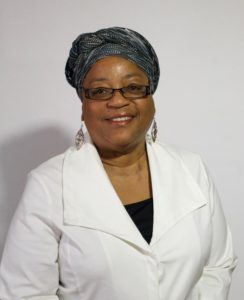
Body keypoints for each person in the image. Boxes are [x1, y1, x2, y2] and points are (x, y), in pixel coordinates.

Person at [0, 27, 237, 300]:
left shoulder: (191, 168)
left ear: (151, 100)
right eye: (100, 91)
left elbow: (218, 264)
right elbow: (24, 293)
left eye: (133, 87)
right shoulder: (48, 185)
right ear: (82, 105)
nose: (118, 101)